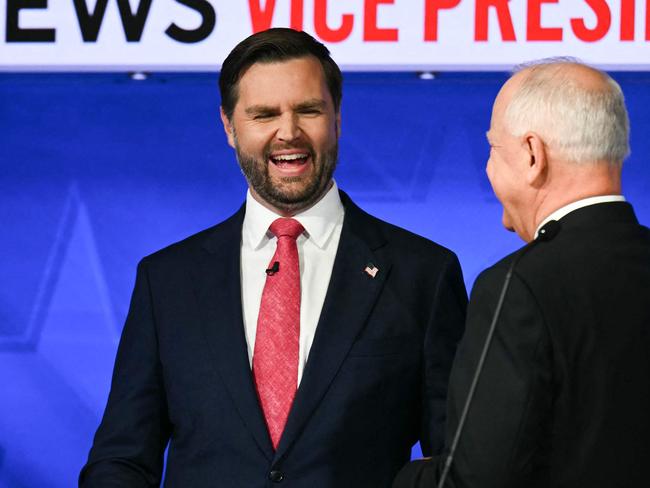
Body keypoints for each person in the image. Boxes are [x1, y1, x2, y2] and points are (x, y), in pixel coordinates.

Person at [79, 28, 467, 487]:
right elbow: (121, 459)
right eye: (264, 114)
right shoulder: (167, 281)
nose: (288, 132)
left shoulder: (423, 274)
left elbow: (455, 460)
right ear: (229, 126)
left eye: (308, 110)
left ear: (337, 117)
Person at [393, 59, 650, 488]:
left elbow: (479, 478)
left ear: (533, 154)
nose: (488, 169)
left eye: (493, 149)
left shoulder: (518, 287)